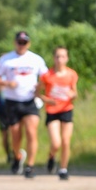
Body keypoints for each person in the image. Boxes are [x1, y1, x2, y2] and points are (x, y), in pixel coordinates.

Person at [0, 30, 48, 178]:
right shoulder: (6, 59)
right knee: (15, 135)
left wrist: (40, 87)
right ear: (15, 42)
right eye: (19, 42)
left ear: (29, 43)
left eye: (25, 42)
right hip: (12, 102)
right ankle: (17, 156)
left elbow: (46, 77)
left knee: (31, 131)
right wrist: (7, 83)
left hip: (30, 101)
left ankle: (30, 166)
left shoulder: (36, 59)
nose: (22, 45)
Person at [39, 46, 79, 180]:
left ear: (67, 59)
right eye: (57, 57)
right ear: (54, 58)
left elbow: (75, 93)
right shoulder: (47, 76)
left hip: (66, 109)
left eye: (63, 56)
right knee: (56, 143)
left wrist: (72, 95)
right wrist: (47, 100)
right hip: (52, 111)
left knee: (66, 141)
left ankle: (63, 169)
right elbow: (37, 93)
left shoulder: (71, 74)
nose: (60, 59)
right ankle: (51, 156)